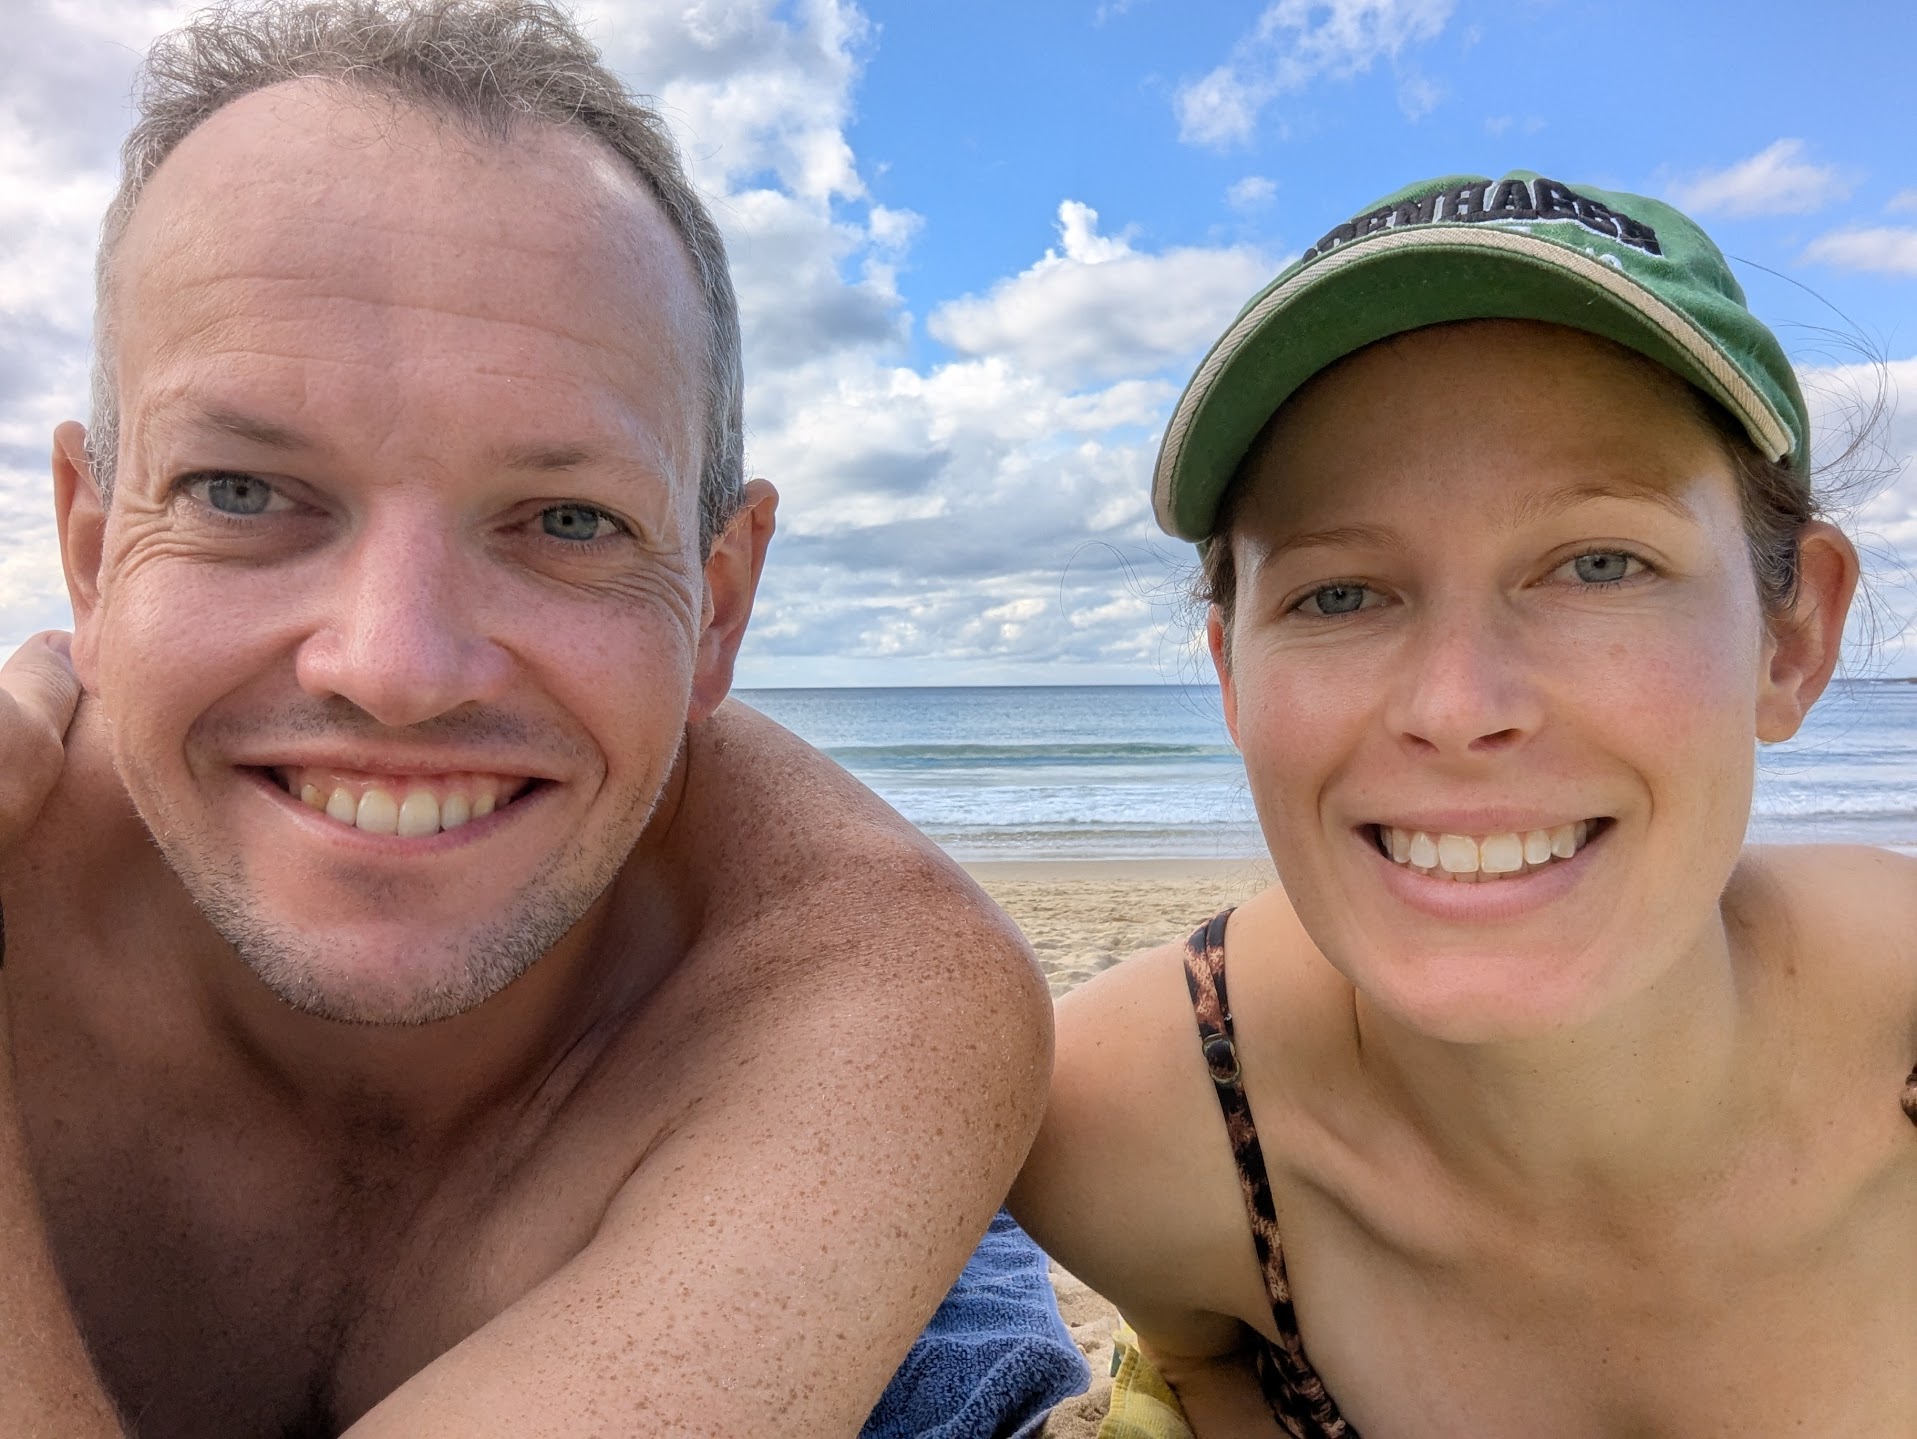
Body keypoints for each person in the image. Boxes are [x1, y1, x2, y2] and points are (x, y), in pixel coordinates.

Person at [0, 3, 1066, 1435]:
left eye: (566, 518)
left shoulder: (857, 984)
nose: (395, 665)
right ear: (88, 544)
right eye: (242, 492)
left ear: (721, 603)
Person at [1012, 171, 1917, 1436]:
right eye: (1338, 592)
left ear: (1792, 635)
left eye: (1602, 562)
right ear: (1231, 675)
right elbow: (1193, 1354)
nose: (1457, 701)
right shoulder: (1121, 1128)